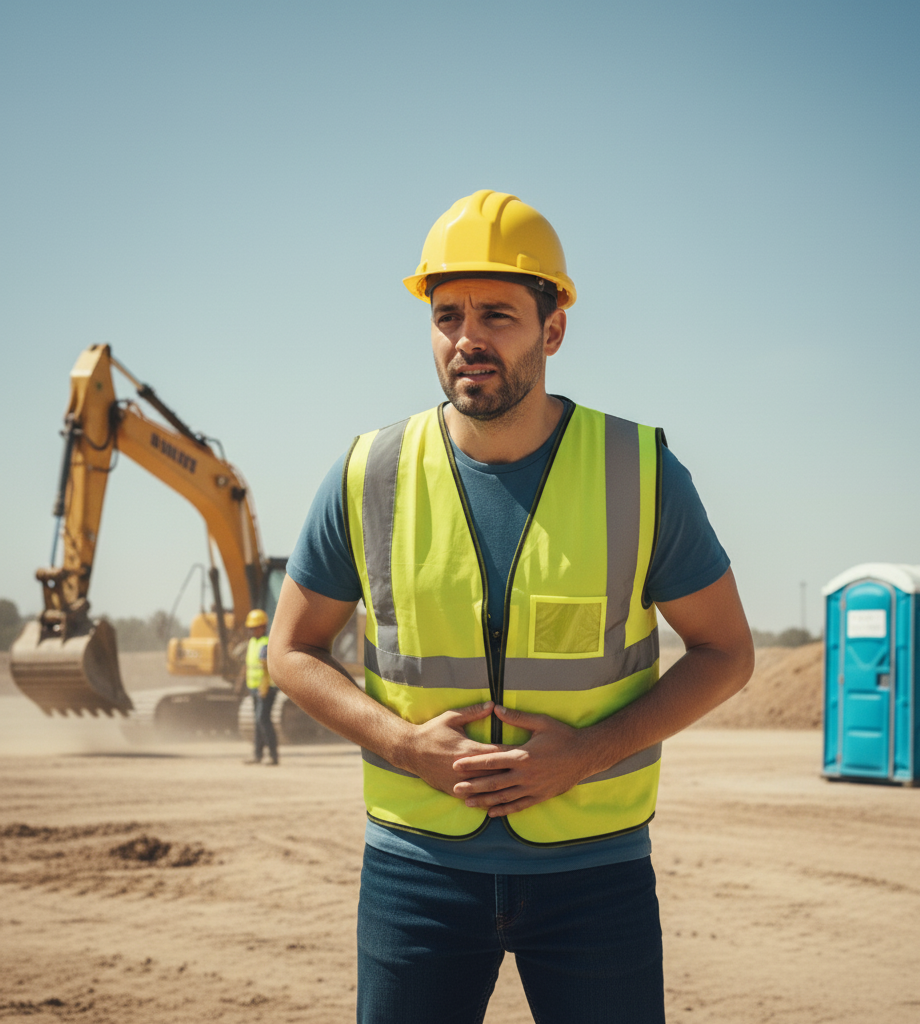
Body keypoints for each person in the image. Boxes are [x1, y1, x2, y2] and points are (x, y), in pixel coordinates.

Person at [269, 190, 754, 1024]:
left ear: (553, 329)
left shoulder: (639, 473)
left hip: (594, 875)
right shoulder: (367, 474)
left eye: (498, 314)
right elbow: (291, 651)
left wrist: (588, 754)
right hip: (414, 870)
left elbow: (727, 654)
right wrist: (401, 745)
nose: (468, 338)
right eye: (447, 314)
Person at [244, 608, 278, 765]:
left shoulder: (265, 643)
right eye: (250, 628)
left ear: (262, 627)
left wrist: (263, 687)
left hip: (266, 688)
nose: (251, 631)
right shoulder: (252, 643)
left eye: (254, 627)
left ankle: (273, 755)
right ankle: (257, 755)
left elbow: (266, 669)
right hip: (254, 688)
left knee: (263, 719)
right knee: (258, 721)